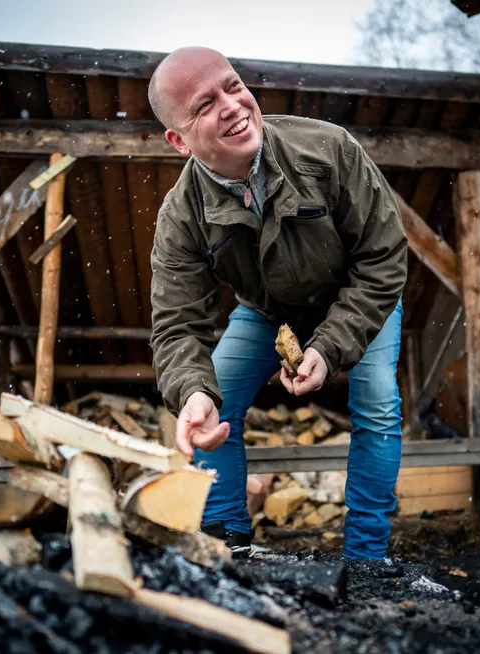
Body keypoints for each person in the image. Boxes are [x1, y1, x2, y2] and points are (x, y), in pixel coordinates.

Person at [147, 46, 408, 559]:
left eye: (234, 85)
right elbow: (177, 325)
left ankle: (366, 557)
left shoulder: (329, 149)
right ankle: (228, 539)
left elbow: (383, 258)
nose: (232, 105)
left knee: (377, 405)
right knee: (211, 405)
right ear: (178, 139)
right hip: (268, 314)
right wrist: (192, 389)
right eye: (204, 105)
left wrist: (330, 347)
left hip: (362, 298)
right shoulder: (180, 217)